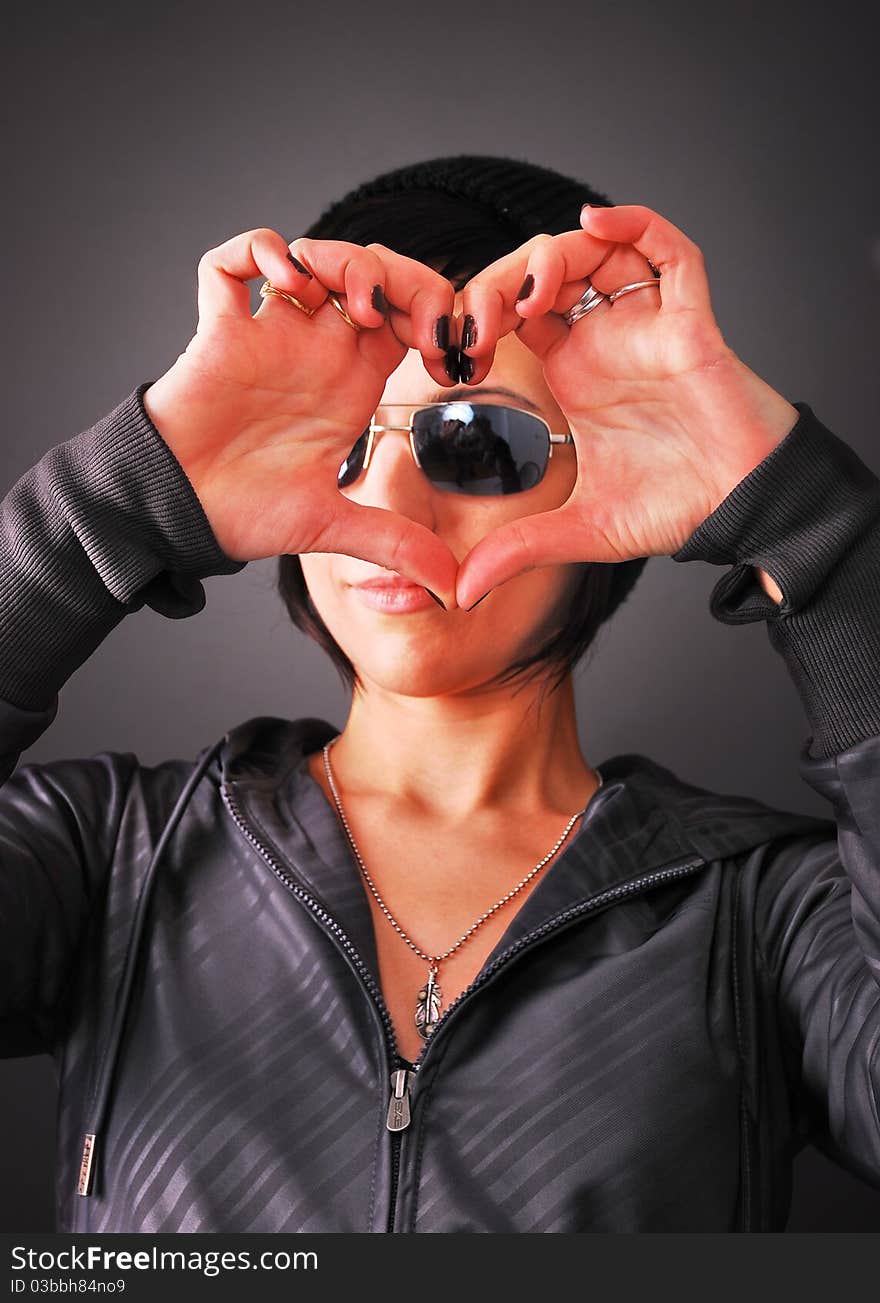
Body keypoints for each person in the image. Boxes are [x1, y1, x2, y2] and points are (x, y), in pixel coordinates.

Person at [1, 153, 879, 1234]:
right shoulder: (114, 856)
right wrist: (115, 501)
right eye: (336, 441)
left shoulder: (764, 917)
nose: (389, 493)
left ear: (617, 462)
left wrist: (811, 522)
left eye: (474, 442)